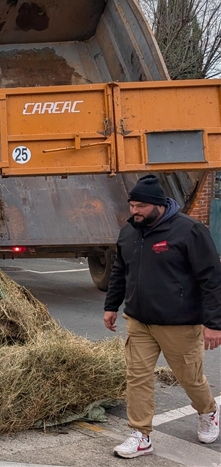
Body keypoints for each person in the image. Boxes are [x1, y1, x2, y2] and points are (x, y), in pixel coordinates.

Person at [104, 175, 221, 458]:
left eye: (141, 206)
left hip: (179, 323)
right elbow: (121, 270)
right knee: (137, 377)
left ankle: (208, 411)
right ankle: (140, 434)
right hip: (139, 321)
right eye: (132, 205)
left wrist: (214, 324)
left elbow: (211, 278)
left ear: (158, 205)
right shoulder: (129, 232)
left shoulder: (189, 231)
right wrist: (111, 306)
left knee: (188, 377)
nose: (135, 211)